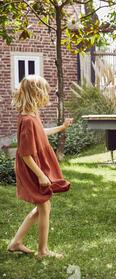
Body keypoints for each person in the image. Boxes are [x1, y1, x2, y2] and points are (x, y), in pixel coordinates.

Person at [7, 75, 73, 258]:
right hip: (31, 168)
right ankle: (42, 251)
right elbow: (25, 153)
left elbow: (40, 133)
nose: (47, 95)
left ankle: (16, 242)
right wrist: (41, 175)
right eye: (44, 91)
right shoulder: (27, 120)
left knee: (43, 206)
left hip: (34, 166)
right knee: (44, 206)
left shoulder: (31, 116)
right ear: (36, 94)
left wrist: (61, 128)